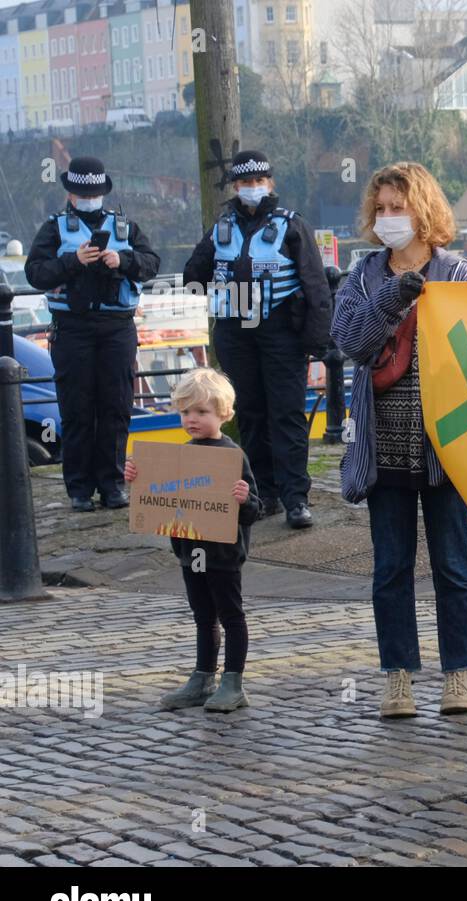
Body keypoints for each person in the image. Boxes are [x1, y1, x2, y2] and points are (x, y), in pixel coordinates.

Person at [332, 162, 467, 720]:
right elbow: (349, 340)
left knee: (453, 564)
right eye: (382, 209)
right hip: (383, 446)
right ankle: (397, 676)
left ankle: (458, 673)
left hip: (446, 447)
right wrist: (393, 298)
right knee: (391, 567)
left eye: (399, 206)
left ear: (424, 210)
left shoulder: (459, 273)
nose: (390, 217)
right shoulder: (365, 274)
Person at [183, 150, 333, 531]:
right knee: (249, 413)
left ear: (270, 184)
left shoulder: (292, 225)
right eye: (245, 183)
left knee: (286, 414)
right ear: (235, 186)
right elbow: (191, 275)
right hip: (236, 332)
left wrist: (319, 341)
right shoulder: (221, 228)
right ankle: (263, 494)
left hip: (281, 331)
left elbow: (316, 286)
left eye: (258, 182)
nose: (252, 189)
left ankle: (295, 498)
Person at [24, 156, 160, 512]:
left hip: (116, 328)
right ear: (70, 194)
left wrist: (123, 261)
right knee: (77, 408)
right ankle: (80, 489)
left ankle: (113, 485)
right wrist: (74, 261)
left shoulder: (125, 227)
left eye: (94, 192)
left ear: (103, 192)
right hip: (73, 330)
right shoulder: (54, 229)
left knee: (115, 408)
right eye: (83, 193)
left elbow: (151, 264)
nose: (88, 198)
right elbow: (35, 273)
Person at [124, 368, 261, 712]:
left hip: (223, 555)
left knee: (231, 615)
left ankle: (233, 682)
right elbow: (161, 497)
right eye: (186, 412)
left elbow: (253, 511)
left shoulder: (233, 457)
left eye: (201, 412)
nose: (192, 419)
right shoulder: (178, 458)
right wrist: (137, 479)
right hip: (191, 552)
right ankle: (202, 679)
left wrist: (245, 498)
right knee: (203, 616)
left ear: (223, 414)